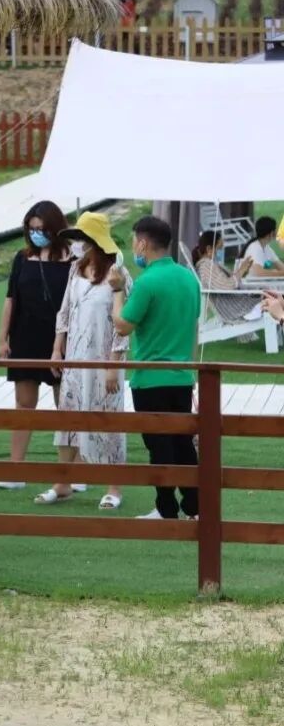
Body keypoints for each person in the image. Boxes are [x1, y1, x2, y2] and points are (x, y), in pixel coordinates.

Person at [109, 215, 201, 520]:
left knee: (160, 446)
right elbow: (193, 327)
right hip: (182, 376)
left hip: (151, 379)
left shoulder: (147, 282)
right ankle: (194, 506)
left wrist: (117, 291)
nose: (134, 247)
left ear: (143, 243)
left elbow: (122, 325)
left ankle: (166, 508)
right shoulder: (189, 278)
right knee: (183, 444)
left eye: (134, 241)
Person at [37, 212, 130, 509]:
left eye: (82, 238)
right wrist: (57, 349)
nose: (77, 244)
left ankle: (114, 488)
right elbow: (64, 311)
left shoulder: (118, 274)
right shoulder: (75, 269)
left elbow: (123, 324)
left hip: (104, 360)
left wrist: (114, 364)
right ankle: (63, 483)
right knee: (68, 419)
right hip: (75, 359)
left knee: (107, 420)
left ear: (95, 241)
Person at [0, 201, 74, 491]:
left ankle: (71, 471)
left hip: (61, 339)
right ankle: (16, 469)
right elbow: (10, 299)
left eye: (42, 229)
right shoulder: (22, 258)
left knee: (65, 405)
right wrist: (2, 339)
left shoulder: (73, 260)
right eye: (32, 229)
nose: (37, 233)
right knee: (24, 403)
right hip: (25, 337)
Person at [192, 230, 260, 326]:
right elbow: (226, 286)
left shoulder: (209, 264)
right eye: (219, 249)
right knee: (272, 301)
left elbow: (227, 281)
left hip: (235, 304)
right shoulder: (206, 266)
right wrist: (241, 270)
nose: (219, 253)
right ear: (209, 249)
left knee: (270, 298)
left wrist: (243, 271)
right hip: (234, 309)